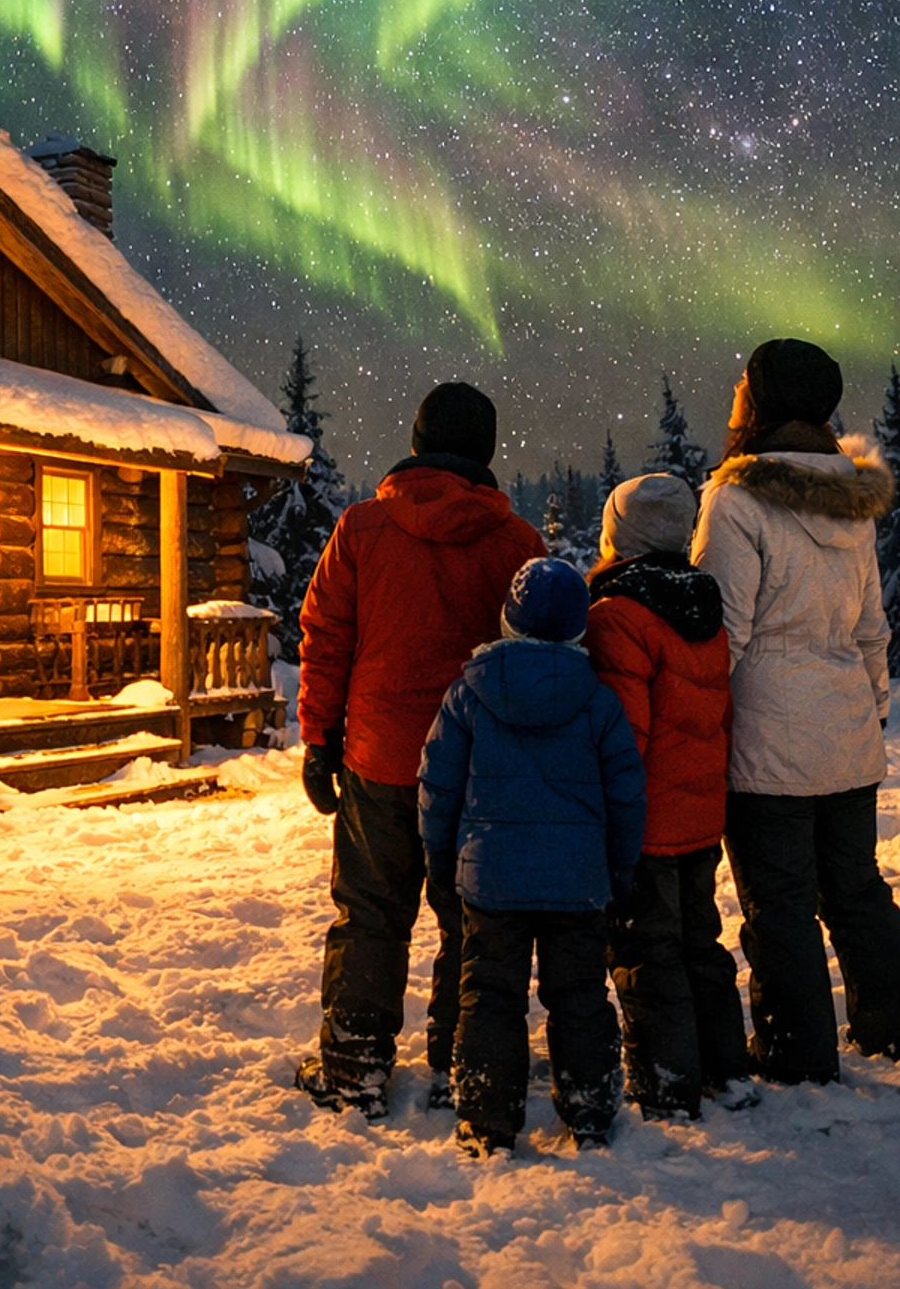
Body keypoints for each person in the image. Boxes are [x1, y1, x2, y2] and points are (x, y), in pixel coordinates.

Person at [295, 382, 545, 1118]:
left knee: (371, 912)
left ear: (417, 440)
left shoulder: (363, 529)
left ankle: (353, 1067)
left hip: (380, 758)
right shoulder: (517, 544)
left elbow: (325, 638)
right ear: (486, 452)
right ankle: (460, 1061)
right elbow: (536, 662)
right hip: (477, 768)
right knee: (468, 917)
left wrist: (319, 740)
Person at [694, 337, 900, 1084]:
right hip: (847, 730)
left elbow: (722, 635)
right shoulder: (852, 503)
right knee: (858, 888)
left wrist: (700, 730)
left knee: (783, 906)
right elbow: (870, 628)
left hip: (769, 744)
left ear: (760, 401)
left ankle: (799, 1055)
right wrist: (874, 713)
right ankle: (895, 1029)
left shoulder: (735, 501)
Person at [419, 557, 647, 1156]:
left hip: (491, 880)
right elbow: (627, 792)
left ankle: (487, 1120)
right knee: (579, 996)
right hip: (577, 883)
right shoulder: (598, 703)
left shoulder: (468, 694)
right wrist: (621, 868)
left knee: (490, 996)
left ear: (507, 621)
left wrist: (441, 860)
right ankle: (590, 1111)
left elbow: (438, 786)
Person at [586, 471, 752, 1118]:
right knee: (697, 941)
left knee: (646, 949)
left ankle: (669, 1082)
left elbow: (624, 737)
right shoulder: (705, 612)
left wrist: (609, 818)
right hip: (700, 814)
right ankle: (725, 1068)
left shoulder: (618, 616)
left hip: (646, 821)